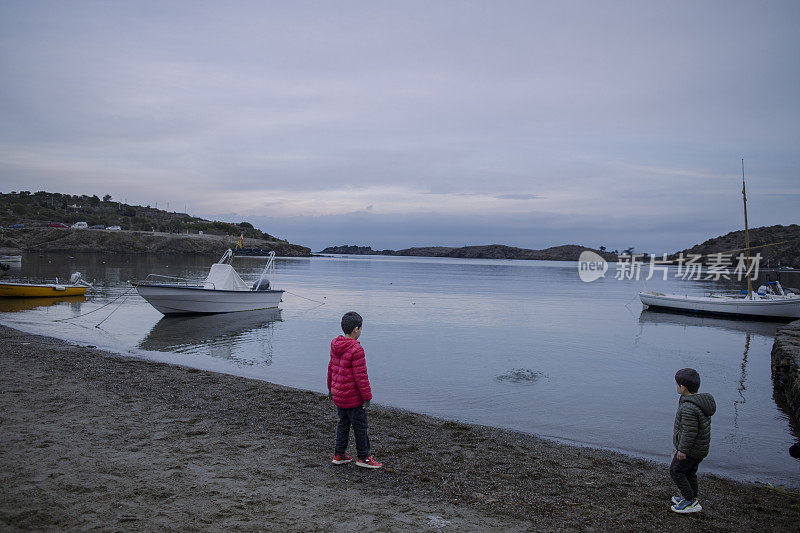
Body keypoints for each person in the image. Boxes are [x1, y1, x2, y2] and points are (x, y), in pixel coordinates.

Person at [327, 311, 382, 469]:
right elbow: (361, 376)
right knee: (360, 426)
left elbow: (331, 368)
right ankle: (363, 457)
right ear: (356, 329)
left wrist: (330, 389)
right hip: (353, 397)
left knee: (343, 424)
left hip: (338, 394)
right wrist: (367, 397)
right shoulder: (356, 349)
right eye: (361, 328)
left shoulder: (335, 345)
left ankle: (339, 454)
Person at [670, 368, 716, 513]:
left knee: (676, 471)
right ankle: (692, 498)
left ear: (683, 388)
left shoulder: (689, 408)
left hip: (690, 449)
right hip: (699, 448)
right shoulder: (699, 403)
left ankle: (689, 500)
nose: (676, 387)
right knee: (690, 473)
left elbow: (690, 431)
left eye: (677, 385)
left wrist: (682, 450)